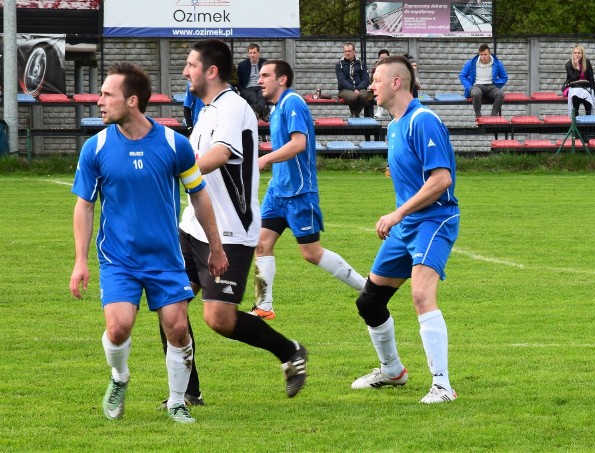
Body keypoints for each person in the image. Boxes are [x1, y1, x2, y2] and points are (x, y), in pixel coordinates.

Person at [69, 62, 229, 424]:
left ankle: (177, 401)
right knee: (118, 326)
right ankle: (119, 378)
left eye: (108, 94)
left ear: (133, 101)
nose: (100, 101)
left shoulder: (175, 144)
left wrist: (215, 246)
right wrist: (80, 260)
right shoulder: (96, 147)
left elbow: (199, 196)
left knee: (177, 327)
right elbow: (84, 206)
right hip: (118, 258)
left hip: (165, 259)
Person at [166, 39, 309, 401]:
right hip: (192, 225)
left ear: (211, 71)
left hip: (230, 230)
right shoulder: (206, 110)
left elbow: (217, 155)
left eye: (190, 65)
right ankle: (186, 392)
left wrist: (168, 169)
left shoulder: (234, 108)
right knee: (171, 306)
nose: (185, 72)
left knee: (219, 319)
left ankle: (288, 351)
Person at [351, 56, 460, 405]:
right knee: (369, 301)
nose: (372, 85)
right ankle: (393, 371)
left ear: (397, 83)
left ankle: (443, 386)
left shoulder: (423, 120)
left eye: (377, 79)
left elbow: (441, 180)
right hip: (408, 226)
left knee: (421, 295)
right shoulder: (394, 126)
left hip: (434, 220)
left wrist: (397, 213)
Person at [252, 59, 366, 319]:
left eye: (265, 75)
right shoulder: (278, 107)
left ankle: (366, 287)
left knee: (311, 253)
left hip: (299, 192)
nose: (260, 81)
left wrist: (265, 159)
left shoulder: (292, 103)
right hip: (277, 191)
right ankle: (263, 305)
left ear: (282, 79)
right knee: (261, 244)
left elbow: (298, 144)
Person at [459, 43, 508, 118]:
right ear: (479, 54)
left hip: (491, 87)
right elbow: (462, 75)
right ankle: (478, 118)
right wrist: (469, 87)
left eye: (485, 54)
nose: (483, 56)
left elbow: (504, 77)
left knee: (500, 94)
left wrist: (497, 85)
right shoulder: (471, 63)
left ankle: (493, 118)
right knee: (475, 93)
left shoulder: (497, 63)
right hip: (477, 86)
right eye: (481, 54)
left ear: (489, 54)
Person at [336, 42, 371, 118]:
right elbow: (341, 81)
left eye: (349, 51)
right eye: (345, 51)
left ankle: (354, 114)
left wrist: (357, 88)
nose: (347, 53)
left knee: (364, 95)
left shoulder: (361, 64)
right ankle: (355, 114)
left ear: (354, 52)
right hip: (344, 90)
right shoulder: (339, 65)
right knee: (353, 97)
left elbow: (366, 80)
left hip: (360, 88)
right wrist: (353, 89)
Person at [237, 43, 269, 120]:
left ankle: (256, 114)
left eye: (254, 53)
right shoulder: (242, 65)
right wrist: (242, 90)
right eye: (250, 53)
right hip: (248, 88)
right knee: (254, 98)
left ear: (259, 53)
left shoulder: (265, 63)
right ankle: (264, 113)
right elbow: (238, 80)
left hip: (261, 86)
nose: (252, 55)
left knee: (262, 96)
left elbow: (269, 77)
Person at [561, 45, 595, 117]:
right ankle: (575, 121)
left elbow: (591, 78)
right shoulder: (569, 64)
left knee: (587, 101)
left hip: (585, 88)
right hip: (574, 88)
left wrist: (593, 91)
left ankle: (588, 121)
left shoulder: (587, 62)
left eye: (579, 53)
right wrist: (577, 68)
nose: (577, 55)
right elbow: (573, 78)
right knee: (576, 98)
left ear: (582, 54)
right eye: (575, 53)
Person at [372, 49, 389, 119]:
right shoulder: (375, 68)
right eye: (381, 58)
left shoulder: (392, 67)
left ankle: (381, 108)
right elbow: (373, 79)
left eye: (386, 58)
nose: (384, 60)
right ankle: (380, 108)